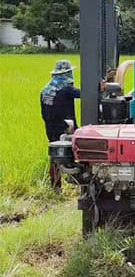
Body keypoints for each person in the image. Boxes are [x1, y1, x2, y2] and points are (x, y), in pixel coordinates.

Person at [41, 59, 80, 190]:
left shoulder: (46, 90)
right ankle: (79, 183)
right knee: (79, 152)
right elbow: (85, 94)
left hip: (50, 128)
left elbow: (44, 113)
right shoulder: (66, 89)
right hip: (65, 128)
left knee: (55, 157)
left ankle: (55, 187)